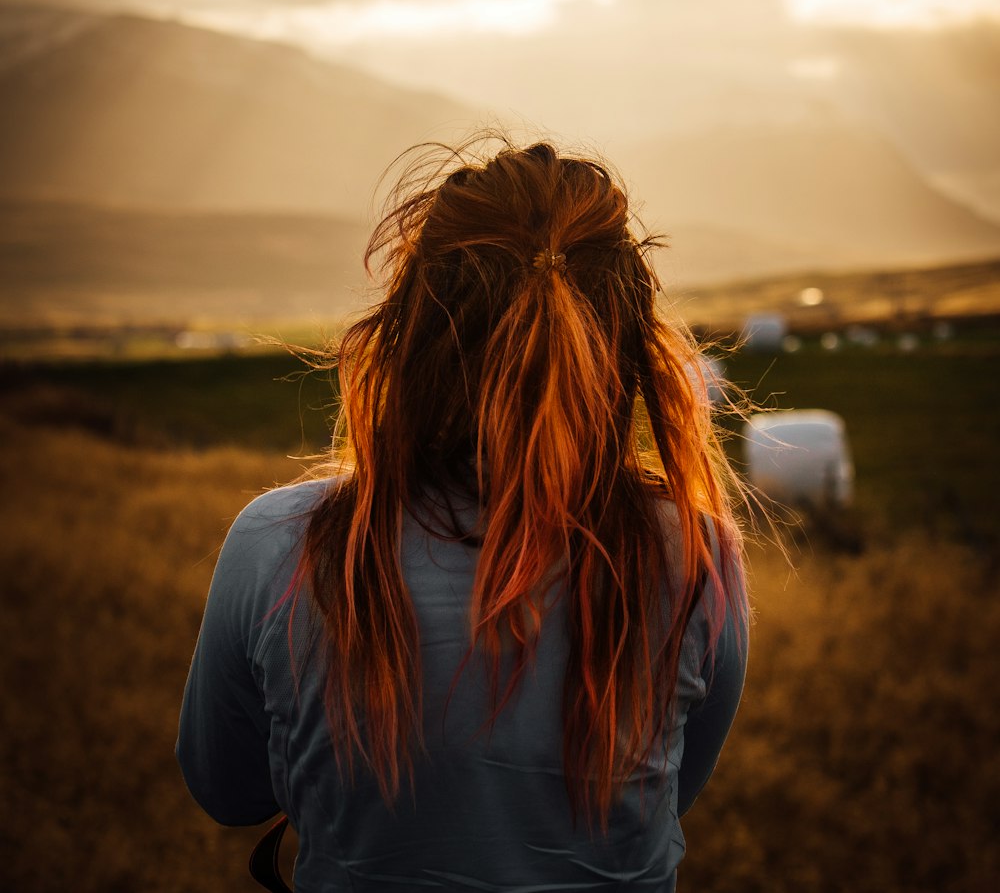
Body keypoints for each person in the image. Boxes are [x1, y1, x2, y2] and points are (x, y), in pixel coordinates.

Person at [177, 138, 749, 892]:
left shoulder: (278, 543)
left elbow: (227, 791)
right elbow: (673, 793)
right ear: (625, 350)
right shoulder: (695, 553)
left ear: (409, 332)